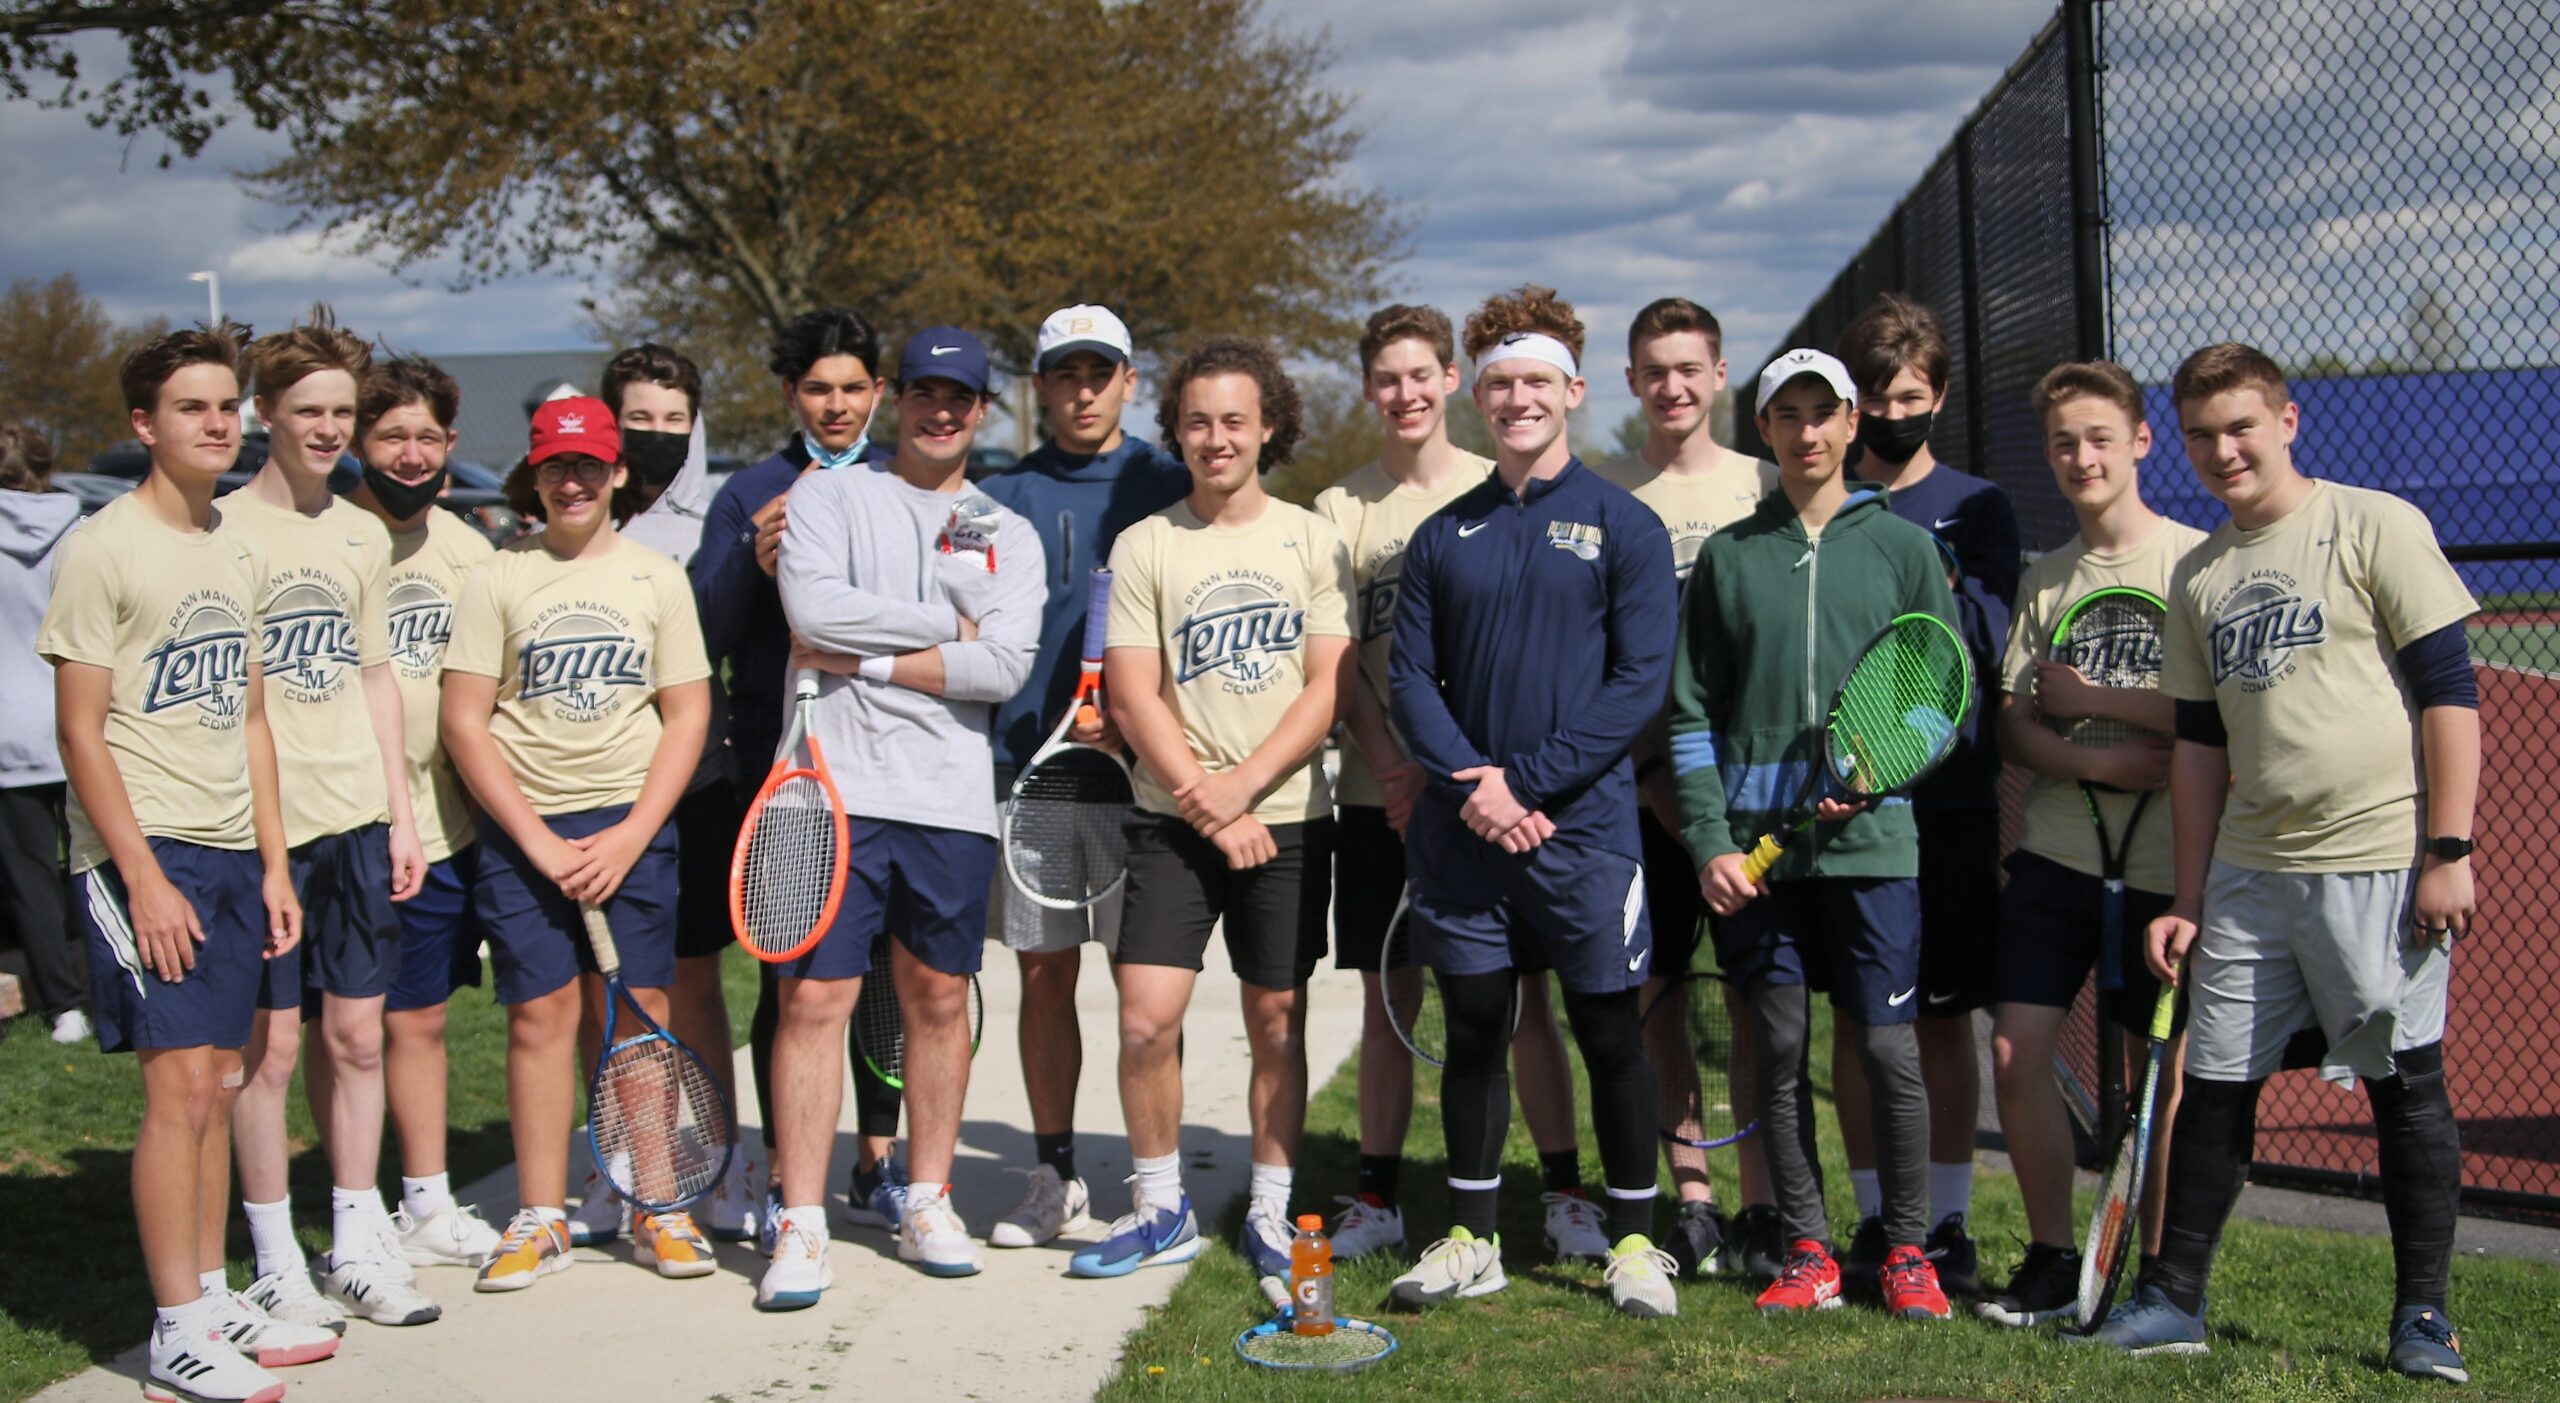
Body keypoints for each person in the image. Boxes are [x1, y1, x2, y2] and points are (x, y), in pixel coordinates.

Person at [2081, 344, 2477, 1386]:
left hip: (2379, 860)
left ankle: (2423, 1315)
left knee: (2403, 1084)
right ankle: (2172, 1300)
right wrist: (2190, 892)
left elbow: (2448, 691)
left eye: (2241, 426)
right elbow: (2201, 748)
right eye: (2204, 433)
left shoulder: (2373, 523)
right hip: (2251, 874)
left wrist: (2447, 849)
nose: (2224, 450)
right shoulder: (2200, 573)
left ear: (2287, 421)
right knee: (2214, 1085)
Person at [40, 321, 337, 1403]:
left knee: (219, 1080)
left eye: (226, 406)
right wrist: (144, 876)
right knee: (177, 1091)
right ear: (143, 424)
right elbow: (81, 731)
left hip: (229, 853)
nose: (216, 423)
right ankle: (173, 1327)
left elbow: (254, 718)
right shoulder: (104, 544)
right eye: (191, 408)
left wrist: (270, 865)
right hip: (144, 852)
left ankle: (210, 1293)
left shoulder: (234, 544)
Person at [1384, 287, 1680, 1320]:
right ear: (1477, 396)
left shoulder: (1624, 524)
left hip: (1583, 834)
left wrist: (1528, 783)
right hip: (1466, 834)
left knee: (1608, 1029)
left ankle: (1637, 1239)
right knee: (1474, 1024)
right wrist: (1478, 786)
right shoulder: (1438, 535)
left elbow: (1638, 683)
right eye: (1500, 382)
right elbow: (1409, 683)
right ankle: (1474, 1236)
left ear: (1574, 392)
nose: (1517, 399)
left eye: (1536, 382)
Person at [1667, 347, 1958, 1321]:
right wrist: (1710, 836)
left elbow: (1936, 694)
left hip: (1877, 852)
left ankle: (1908, 1249)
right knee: (1779, 1048)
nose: (1805, 431)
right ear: (1765, 430)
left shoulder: (1904, 548)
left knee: (1886, 1050)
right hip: (1761, 857)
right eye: (1785, 414)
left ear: (1849, 423)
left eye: (1821, 412)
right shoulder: (1729, 554)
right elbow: (1688, 711)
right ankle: (1807, 1248)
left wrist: (1878, 775)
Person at [759, 326, 1043, 1303]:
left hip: (947, 798)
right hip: (823, 786)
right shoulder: (832, 494)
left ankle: (927, 1195)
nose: (940, 409)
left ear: (981, 408)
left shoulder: (1002, 529)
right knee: (812, 1003)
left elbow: (1003, 667)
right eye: (923, 391)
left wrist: (869, 656)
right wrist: (940, 627)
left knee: (935, 1001)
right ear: (894, 396)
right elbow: (812, 612)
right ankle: (800, 1222)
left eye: (959, 396)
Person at [1312, 303, 1599, 1266]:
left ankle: (1562, 1191)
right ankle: (1378, 1197)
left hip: (1490, 797)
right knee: (1389, 1001)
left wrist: (1464, 775)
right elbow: (1345, 662)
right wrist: (1394, 763)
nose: (1404, 393)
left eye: (1420, 374)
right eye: (1385, 378)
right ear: (1370, 390)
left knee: (1520, 1001)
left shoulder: (1500, 485)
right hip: (1376, 794)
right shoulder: (1340, 507)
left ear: (1450, 383)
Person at [1069, 337, 1353, 1282]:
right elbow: (1133, 694)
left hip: (1290, 817)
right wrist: (1205, 799)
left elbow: (1327, 688)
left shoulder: (1313, 538)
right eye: (1198, 420)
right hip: (1168, 819)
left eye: (1235, 419)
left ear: (1269, 425)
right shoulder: (1146, 543)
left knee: (1276, 1018)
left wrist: (1244, 789)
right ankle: (1160, 1208)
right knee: (1147, 1021)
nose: (1216, 437)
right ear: (1177, 430)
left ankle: (1271, 1207)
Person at [444, 397, 711, 1292]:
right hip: (527, 836)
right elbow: (466, 722)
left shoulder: (654, 578)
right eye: (557, 467)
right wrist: (537, 841)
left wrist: (633, 832)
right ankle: (542, 1213)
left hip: (631, 829)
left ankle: (657, 1204)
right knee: (541, 1016)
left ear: (618, 473)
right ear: (533, 472)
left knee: (639, 1019)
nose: (572, 482)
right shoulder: (497, 576)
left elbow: (687, 715)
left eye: (589, 467)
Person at [225, 309, 440, 1329]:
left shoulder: (361, 529)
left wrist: (401, 813)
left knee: (359, 1036)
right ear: (263, 412)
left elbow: (376, 674)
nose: (327, 428)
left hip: (359, 816)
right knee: (268, 1051)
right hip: (266, 828)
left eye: (342, 412)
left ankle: (359, 1238)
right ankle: (274, 1257)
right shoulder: (222, 528)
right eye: (307, 410)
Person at [1978, 360, 2201, 1327]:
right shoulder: (2047, 575)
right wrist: (2101, 762)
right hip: (2059, 856)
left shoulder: (2197, 564)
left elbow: (2218, 712)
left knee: (2162, 1082)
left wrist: (2098, 702)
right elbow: (2019, 723)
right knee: (2016, 1053)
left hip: (2168, 872)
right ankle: (2050, 1255)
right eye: (2064, 442)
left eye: (2100, 438)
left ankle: (2151, 1276)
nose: (2082, 457)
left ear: (2141, 443)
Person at [975, 304, 1190, 1249]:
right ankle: (1053, 1172)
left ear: (1130, 382)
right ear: (1041, 386)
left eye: (1100, 372)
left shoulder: (1173, 481)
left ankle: (1156, 1185)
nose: (1084, 390)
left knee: (1145, 991)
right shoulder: (999, 494)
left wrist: (1147, 727)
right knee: (1044, 975)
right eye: (1065, 373)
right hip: (1039, 778)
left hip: (1147, 779)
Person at [693, 309, 908, 1242]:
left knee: (888, 986)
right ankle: (791, 1178)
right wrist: (751, 562)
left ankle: (880, 1162)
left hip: (892, 767)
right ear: (791, 395)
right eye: (817, 388)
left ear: (878, 394)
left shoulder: (907, 482)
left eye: (853, 388)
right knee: (798, 984)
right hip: (784, 776)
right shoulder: (751, 491)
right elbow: (700, 626)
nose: (835, 404)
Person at [1829, 293, 2020, 1296]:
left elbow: (1978, 642)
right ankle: (1871, 1217)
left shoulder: (1977, 506)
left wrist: (1922, 573)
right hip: (1849, 807)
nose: (1894, 410)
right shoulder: (1824, 503)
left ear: (1937, 396)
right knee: (1859, 1019)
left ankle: (1945, 1219)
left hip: (1946, 802)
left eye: (1910, 393)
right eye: (1875, 394)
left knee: (1942, 1018)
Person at [1593, 296, 1782, 1278]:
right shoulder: (1604, 496)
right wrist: (1656, 783)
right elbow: (1599, 668)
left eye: (1688, 367)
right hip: (1643, 801)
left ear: (1719, 376)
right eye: (1653, 369)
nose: (1671, 385)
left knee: (1756, 1001)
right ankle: (1693, 1197)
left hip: (1748, 806)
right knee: (1655, 998)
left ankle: (1760, 1203)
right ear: (1632, 382)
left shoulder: (1767, 484)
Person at [584, 341, 765, 1243]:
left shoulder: (715, 517)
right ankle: (614, 1161)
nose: (655, 436)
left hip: (695, 786)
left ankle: (720, 1158)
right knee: (604, 987)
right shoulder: (575, 511)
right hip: (593, 792)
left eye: (672, 420)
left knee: (692, 978)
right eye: (637, 419)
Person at [338, 355, 505, 1273]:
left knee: (420, 1020)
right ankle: (351, 1206)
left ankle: (427, 1201)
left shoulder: (470, 551)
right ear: (362, 442)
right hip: (350, 822)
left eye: (427, 437)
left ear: (450, 442)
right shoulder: (328, 538)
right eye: (390, 435)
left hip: (448, 827)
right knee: (345, 1029)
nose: (410, 454)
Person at [0, 420, 92, 1046]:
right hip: (79, 719)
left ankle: (64, 1007)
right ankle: (114, 977)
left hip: (7, 731)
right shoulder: (85, 530)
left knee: (29, 874)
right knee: (93, 864)